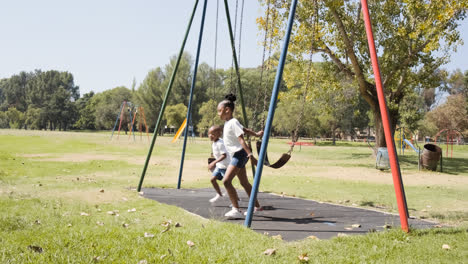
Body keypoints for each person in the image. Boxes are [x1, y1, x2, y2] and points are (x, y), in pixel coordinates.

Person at [217, 93, 263, 218]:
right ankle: (257, 206)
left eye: (219, 111)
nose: (218, 113)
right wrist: (257, 135)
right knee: (244, 183)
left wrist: (250, 155)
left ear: (227, 110)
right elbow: (246, 130)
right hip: (237, 155)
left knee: (226, 181)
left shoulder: (233, 122)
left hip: (240, 154)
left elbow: (242, 139)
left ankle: (236, 209)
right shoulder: (229, 123)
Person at [207, 125, 230, 203]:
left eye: (213, 134)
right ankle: (219, 195)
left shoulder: (220, 143)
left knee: (227, 183)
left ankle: (236, 200)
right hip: (220, 166)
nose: (210, 136)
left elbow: (224, 155)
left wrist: (214, 162)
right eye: (209, 134)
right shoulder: (214, 143)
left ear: (219, 135)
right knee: (212, 180)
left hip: (225, 166)